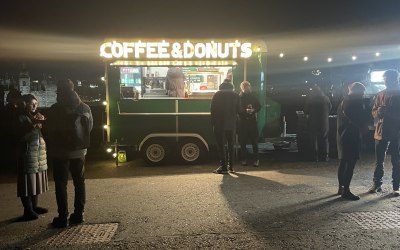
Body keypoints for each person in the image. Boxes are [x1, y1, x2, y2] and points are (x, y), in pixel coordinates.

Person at [45, 79, 93, 227]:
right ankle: (79, 214)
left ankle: (62, 217)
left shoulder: (55, 109)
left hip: (60, 152)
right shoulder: (84, 107)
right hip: (79, 151)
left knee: (61, 183)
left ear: (59, 92)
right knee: (79, 182)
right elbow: (89, 127)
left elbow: (48, 130)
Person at [16, 94, 49, 220]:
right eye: (32, 103)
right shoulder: (20, 117)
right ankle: (27, 210)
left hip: (37, 153)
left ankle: (34, 206)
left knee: (36, 180)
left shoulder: (35, 116)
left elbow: (42, 134)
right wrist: (33, 125)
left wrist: (43, 123)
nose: (35, 105)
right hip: (27, 153)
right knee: (26, 182)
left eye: (36, 103)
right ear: (25, 104)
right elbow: (19, 135)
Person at [368, 69, 400, 196]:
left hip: (396, 131)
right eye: (384, 78)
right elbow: (373, 111)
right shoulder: (380, 94)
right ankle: (377, 184)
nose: (385, 80)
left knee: (396, 160)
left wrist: (389, 114)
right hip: (381, 131)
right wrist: (378, 113)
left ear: (395, 79)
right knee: (379, 160)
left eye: (387, 78)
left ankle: (396, 186)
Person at [336, 82, 369, 200]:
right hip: (351, 137)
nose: (363, 95)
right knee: (350, 164)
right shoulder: (355, 103)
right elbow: (357, 120)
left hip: (342, 136)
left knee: (342, 163)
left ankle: (341, 188)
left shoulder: (343, 102)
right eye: (362, 93)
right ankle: (346, 191)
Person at [210, 78, 241, 174]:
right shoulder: (236, 95)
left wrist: (213, 122)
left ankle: (223, 166)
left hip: (219, 124)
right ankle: (231, 166)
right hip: (231, 124)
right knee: (231, 144)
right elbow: (239, 110)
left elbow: (212, 110)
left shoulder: (217, 94)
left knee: (221, 145)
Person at [304, 85, 332, 162]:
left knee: (314, 139)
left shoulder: (310, 99)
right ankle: (325, 157)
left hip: (313, 122)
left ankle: (314, 157)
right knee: (324, 139)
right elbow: (330, 107)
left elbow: (306, 110)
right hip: (324, 122)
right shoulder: (326, 98)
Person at [238, 81, 261, 167]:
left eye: (248, 88)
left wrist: (254, 110)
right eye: (246, 88)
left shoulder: (253, 97)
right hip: (243, 122)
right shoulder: (239, 97)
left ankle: (256, 160)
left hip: (252, 122)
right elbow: (238, 109)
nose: (248, 89)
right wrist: (245, 111)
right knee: (242, 142)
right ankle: (244, 159)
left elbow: (259, 106)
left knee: (254, 142)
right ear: (242, 88)